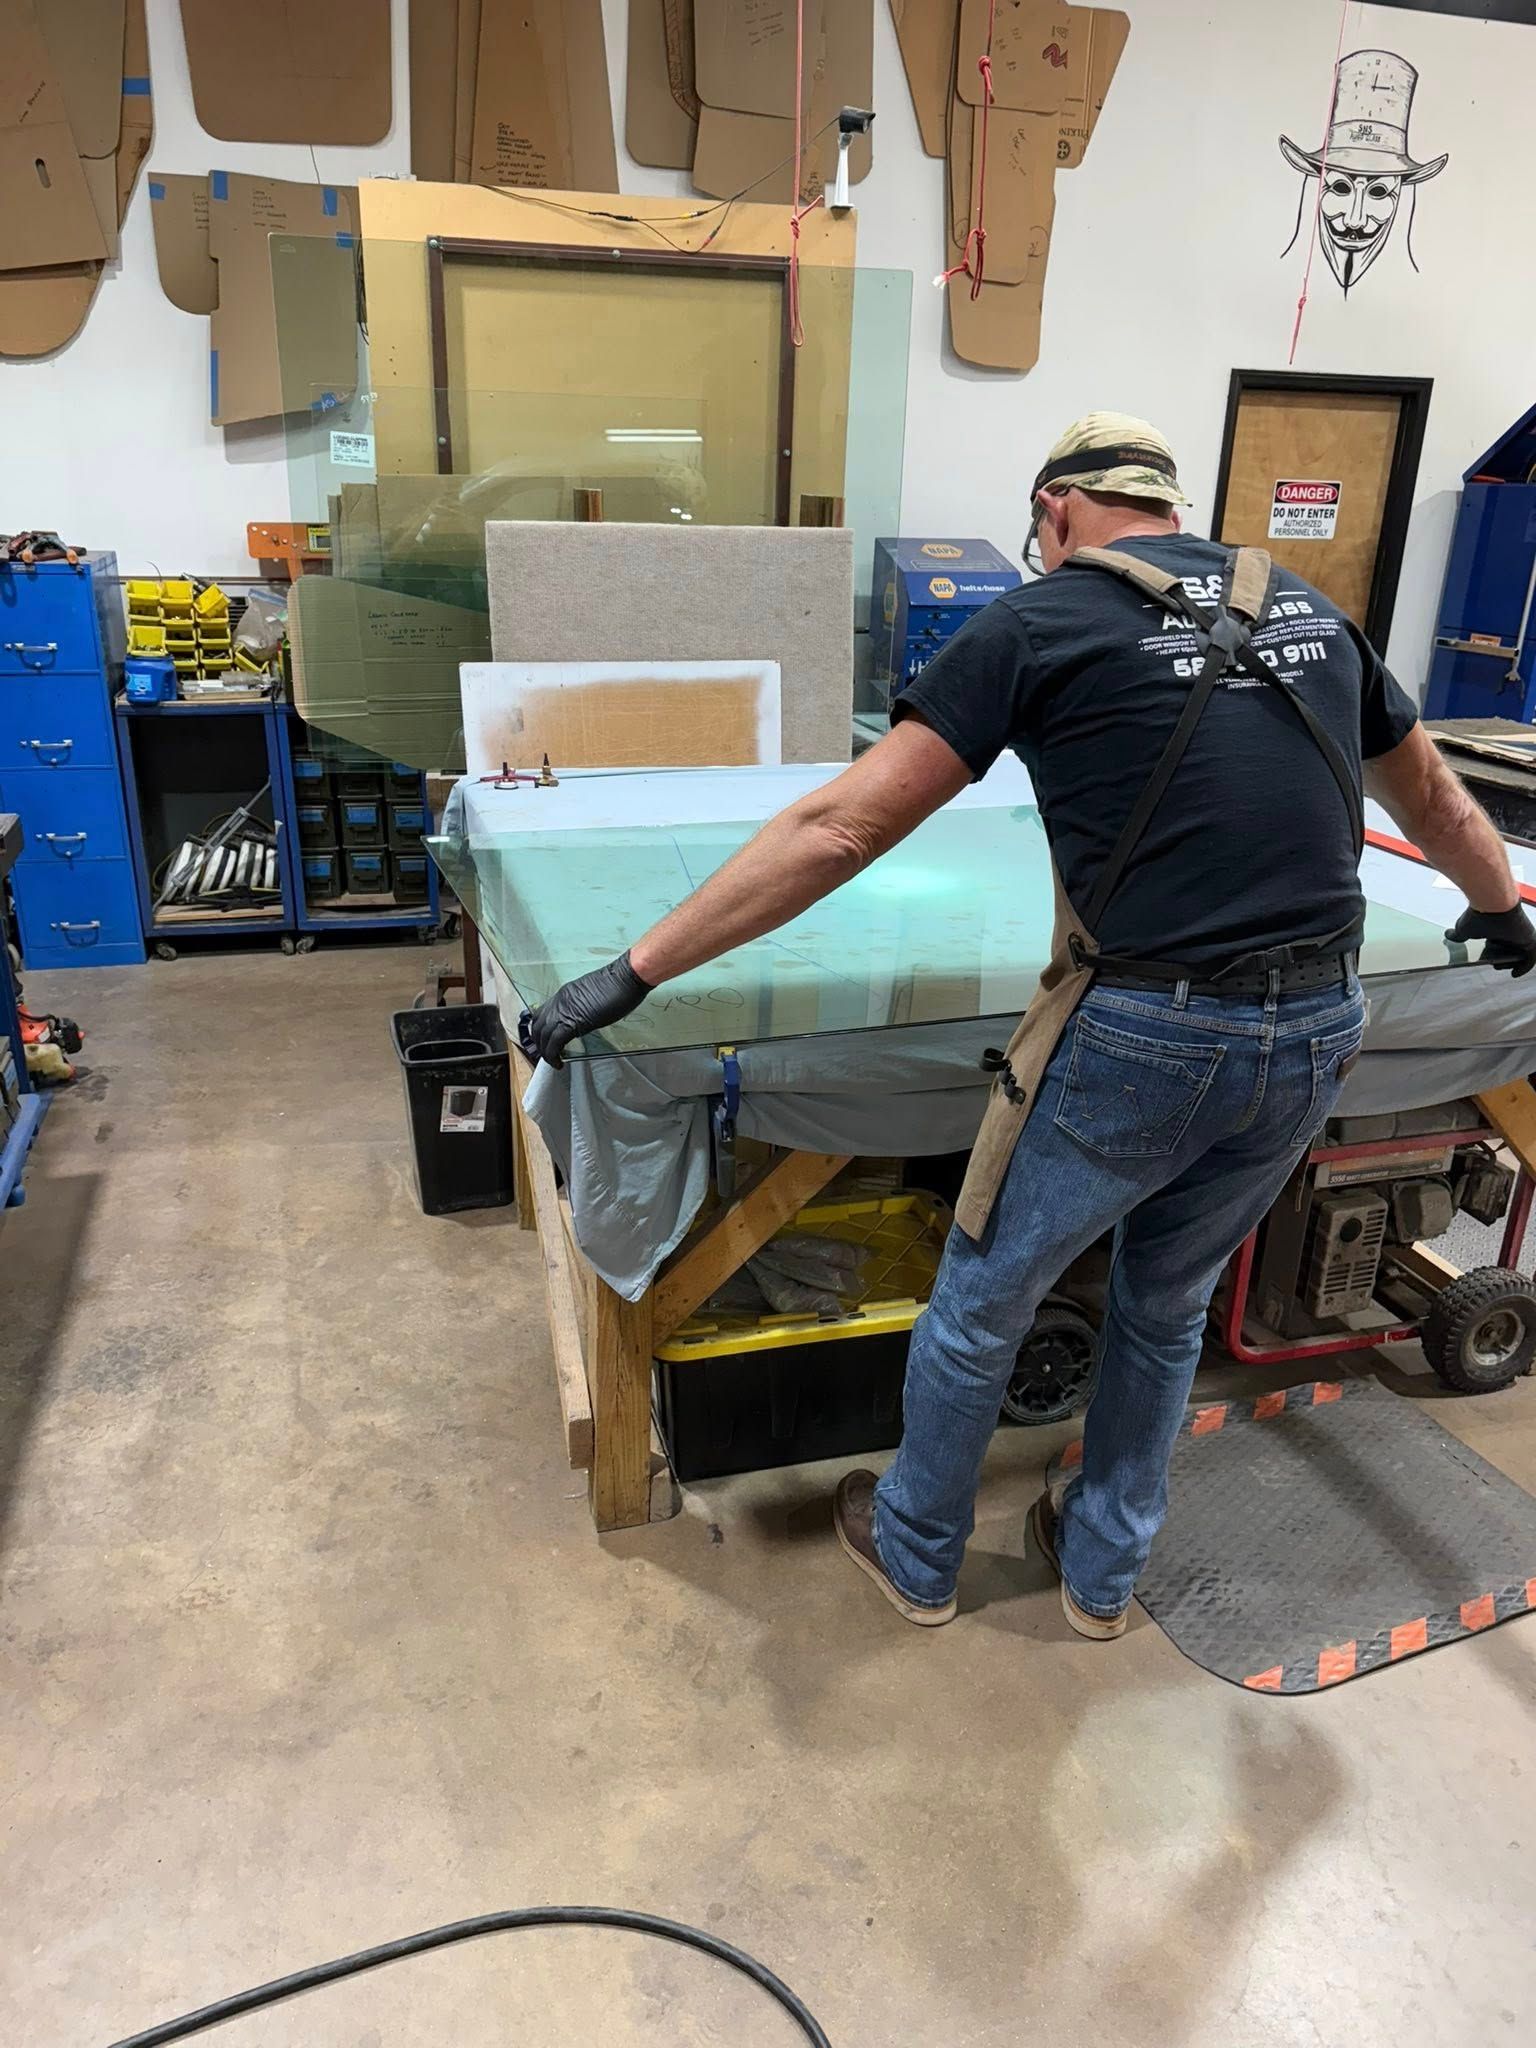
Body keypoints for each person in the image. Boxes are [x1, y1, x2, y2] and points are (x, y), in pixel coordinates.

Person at [520, 412, 1536, 1639]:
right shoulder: (1315, 612)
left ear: (1056, 511)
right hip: (1323, 1020)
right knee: (1167, 1301)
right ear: (1167, 505)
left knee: (984, 1299)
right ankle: (1104, 1578)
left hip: (1152, 1035)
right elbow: (1430, 790)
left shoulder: (1041, 619)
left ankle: (916, 1551)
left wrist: (632, 972)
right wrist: (1501, 912)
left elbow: (840, 826)